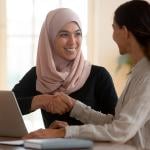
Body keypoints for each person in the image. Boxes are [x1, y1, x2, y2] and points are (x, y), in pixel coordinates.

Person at [23, 0, 150, 149]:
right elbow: (115, 122)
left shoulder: (146, 76)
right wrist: (74, 106)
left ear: (125, 31)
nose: (113, 35)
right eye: (64, 34)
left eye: (114, 28)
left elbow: (120, 131)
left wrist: (64, 132)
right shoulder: (139, 72)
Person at [12, 8, 117, 128]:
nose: (72, 42)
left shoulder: (99, 75)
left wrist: (67, 134)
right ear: (50, 39)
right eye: (64, 35)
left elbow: (116, 125)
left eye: (78, 34)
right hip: (53, 146)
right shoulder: (39, 74)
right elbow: (7, 107)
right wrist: (42, 100)